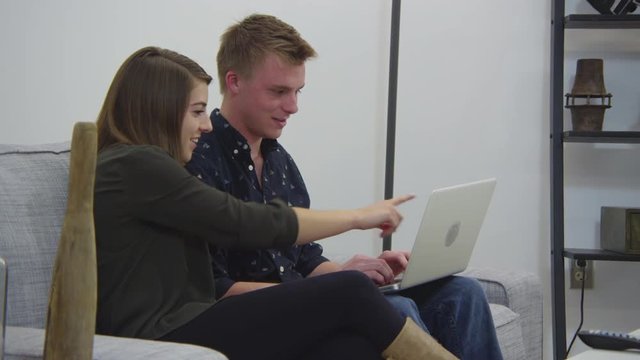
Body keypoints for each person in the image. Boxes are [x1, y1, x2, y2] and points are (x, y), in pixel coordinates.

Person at [93, 46, 459, 360]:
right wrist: (357, 217)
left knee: (352, 348)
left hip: (190, 321)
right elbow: (241, 221)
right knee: (350, 290)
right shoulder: (134, 164)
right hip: (157, 336)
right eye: (197, 111)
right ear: (159, 109)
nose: (205, 126)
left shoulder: (144, 167)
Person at [186, 14, 504, 360]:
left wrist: (354, 274)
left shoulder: (280, 161)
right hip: (263, 318)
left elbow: (305, 256)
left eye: (297, 91)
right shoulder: (198, 161)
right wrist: (327, 290)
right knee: (400, 313)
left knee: (464, 294)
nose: (293, 107)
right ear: (234, 82)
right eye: (279, 92)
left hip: (315, 298)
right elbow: (212, 287)